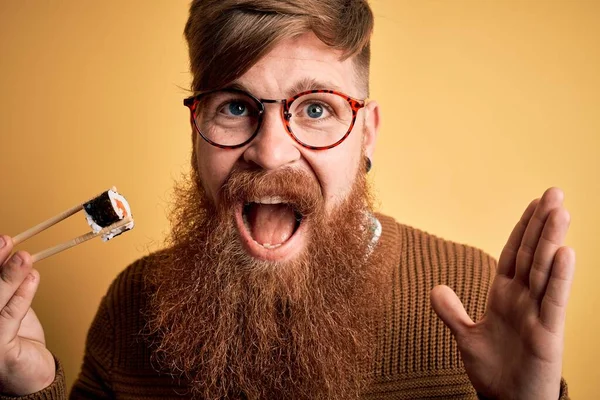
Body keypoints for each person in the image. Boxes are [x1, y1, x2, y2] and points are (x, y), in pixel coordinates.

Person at [0, 1, 575, 399]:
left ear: (367, 132)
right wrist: (27, 386)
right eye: (234, 106)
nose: (271, 152)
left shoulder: (472, 300)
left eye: (317, 108)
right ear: (195, 129)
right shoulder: (131, 307)